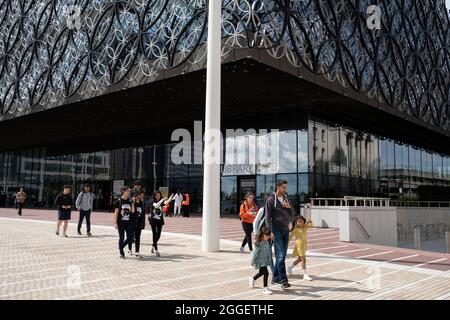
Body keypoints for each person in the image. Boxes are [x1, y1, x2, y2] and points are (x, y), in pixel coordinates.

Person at [264, 179, 296, 289]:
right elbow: (267, 217)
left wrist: (289, 207)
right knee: (281, 255)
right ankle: (283, 280)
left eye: (285, 188)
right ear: (278, 187)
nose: (285, 189)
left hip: (285, 230)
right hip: (276, 229)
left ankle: (275, 278)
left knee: (281, 256)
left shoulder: (287, 199)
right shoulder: (270, 200)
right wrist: (270, 231)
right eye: (283, 187)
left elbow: (293, 214)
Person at [287, 216, 313, 280]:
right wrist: (285, 243)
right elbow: (290, 237)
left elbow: (310, 225)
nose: (300, 223)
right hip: (299, 245)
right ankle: (305, 274)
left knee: (299, 259)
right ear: (296, 222)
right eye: (299, 222)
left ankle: (290, 267)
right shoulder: (295, 229)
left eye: (302, 221)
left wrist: (310, 221)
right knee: (303, 259)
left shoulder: (305, 227)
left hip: (304, 245)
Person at [249, 228, 273, 295]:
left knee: (261, 273)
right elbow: (255, 253)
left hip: (265, 261)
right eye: (266, 235)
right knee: (266, 273)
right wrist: (252, 262)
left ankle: (252, 279)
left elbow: (268, 251)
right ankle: (265, 288)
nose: (267, 237)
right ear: (262, 234)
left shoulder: (266, 241)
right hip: (260, 261)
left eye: (268, 236)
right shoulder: (258, 243)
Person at [114, 187, 135, 259]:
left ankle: (121, 247)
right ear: (123, 191)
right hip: (121, 222)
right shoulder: (118, 201)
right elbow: (116, 213)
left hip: (128, 222)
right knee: (122, 237)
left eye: (129, 191)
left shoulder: (129, 201)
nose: (129, 192)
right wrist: (115, 223)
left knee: (130, 238)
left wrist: (132, 203)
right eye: (127, 191)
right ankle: (121, 253)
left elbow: (132, 211)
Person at [149, 191, 170, 257]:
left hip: (160, 221)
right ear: (154, 196)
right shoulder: (153, 202)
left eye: (159, 195)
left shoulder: (161, 202)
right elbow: (157, 205)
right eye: (156, 195)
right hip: (153, 220)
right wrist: (162, 200)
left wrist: (170, 198)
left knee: (158, 235)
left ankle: (153, 245)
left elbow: (166, 203)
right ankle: (156, 249)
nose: (158, 196)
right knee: (154, 234)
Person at [129, 190, 146, 259]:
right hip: (132, 223)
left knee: (138, 238)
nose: (142, 196)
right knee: (130, 237)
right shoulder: (132, 202)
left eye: (143, 195)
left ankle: (137, 251)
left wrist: (143, 223)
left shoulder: (142, 203)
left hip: (139, 223)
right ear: (137, 195)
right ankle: (130, 249)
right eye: (141, 195)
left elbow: (143, 214)